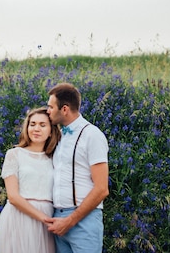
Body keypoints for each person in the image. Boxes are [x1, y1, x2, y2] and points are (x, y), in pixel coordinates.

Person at [45, 83, 109, 253]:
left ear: (64, 109)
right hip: (57, 220)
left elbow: (102, 189)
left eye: (51, 107)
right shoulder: (58, 136)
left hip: (83, 221)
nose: (47, 111)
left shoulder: (92, 135)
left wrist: (70, 220)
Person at [0, 106, 62, 253]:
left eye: (43, 125)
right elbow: (13, 197)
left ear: (51, 131)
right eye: (32, 124)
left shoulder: (56, 158)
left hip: (47, 221)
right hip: (18, 217)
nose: (36, 128)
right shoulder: (14, 154)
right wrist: (43, 218)